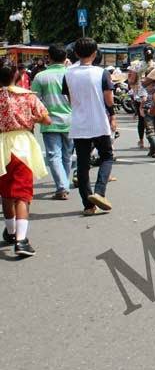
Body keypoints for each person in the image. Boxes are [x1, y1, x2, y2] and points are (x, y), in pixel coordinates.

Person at [0, 64, 52, 256]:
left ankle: (11, 232)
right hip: (22, 144)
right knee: (22, 193)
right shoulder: (27, 96)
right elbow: (46, 119)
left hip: (1, 144)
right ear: (16, 75)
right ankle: (21, 241)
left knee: (5, 192)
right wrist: (31, 120)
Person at [62, 38, 116, 216]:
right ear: (95, 53)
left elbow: (70, 100)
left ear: (76, 54)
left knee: (83, 165)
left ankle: (88, 204)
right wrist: (112, 116)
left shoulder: (68, 73)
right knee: (107, 157)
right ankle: (99, 192)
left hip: (79, 123)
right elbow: (109, 99)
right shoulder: (101, 73)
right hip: (99, 121)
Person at [30, 44, 73, 200]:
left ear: (49, 58)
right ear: (65, 57)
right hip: (71, 121)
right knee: (67, 155)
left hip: (49, 121)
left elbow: (34, 100)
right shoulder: (72, 74)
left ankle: (62, 186)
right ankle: (64, 184)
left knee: (54, 155)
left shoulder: (41, 77)